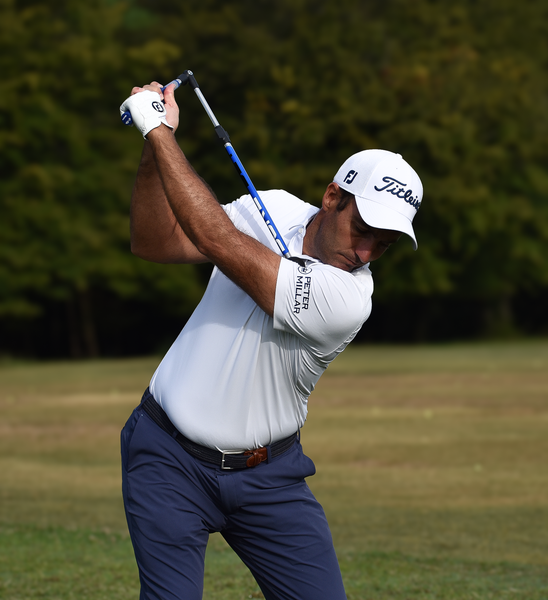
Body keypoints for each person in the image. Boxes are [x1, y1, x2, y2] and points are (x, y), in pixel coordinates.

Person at [119, 81, 423, 600]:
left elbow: (217, 240)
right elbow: (154, 242)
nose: (367, 252)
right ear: (333, 197)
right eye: (364, 229)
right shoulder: (275, 207)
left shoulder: (349, 298)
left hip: (270, 478)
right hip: (167, 456)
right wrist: (154, 146)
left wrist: (160, 131)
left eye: (385, 244)